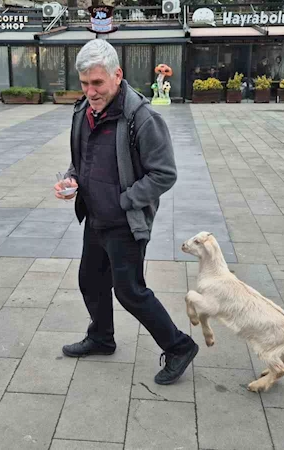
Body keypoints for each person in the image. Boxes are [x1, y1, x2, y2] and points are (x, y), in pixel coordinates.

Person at [53, 39, 199, 386]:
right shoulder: (82, 112)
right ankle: (101, 338)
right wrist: (71, 180)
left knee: (130, 291)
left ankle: (179, 346)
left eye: (98, 83)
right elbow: (81, 160)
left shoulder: (142, 118)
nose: (91, 91)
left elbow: (164, 173)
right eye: (85, 83)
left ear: (117, 75)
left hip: (125, 223)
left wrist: (125, 199)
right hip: (95, 218)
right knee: (90, 280)